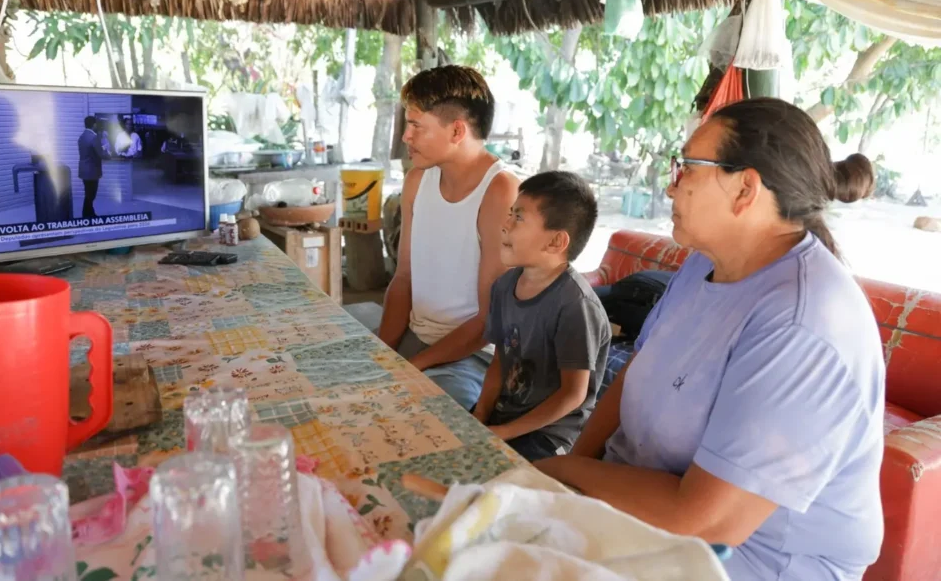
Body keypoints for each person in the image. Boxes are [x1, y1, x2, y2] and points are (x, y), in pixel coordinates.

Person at [537, 98, 885, 581]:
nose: (671, 184)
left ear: (745, 189)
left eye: (686, 168)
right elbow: (641, 367)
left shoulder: (801, 323)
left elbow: (703, 522)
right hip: (645, 518)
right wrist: (570, 473)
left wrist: (558, 473)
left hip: (748, 563)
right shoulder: (705, 263)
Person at [376, 66, 519, 410]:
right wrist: (382, 354)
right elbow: (404, 278)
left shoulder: (499, 190)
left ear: (457, 130)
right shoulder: (417, 180)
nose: (406, 137)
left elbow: (490, 319)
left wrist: (413, 367)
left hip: (472, 355)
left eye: (416, 126)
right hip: (416, 339)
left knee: (423, 415)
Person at [473, 171, 610, 461]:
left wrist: (504, 433)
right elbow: (500, 360)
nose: (505, 225)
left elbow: (573, 395)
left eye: (519, 218)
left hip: (550, 434)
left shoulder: (575, 305)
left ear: (556, 242)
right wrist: (480, 415)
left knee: (502, 477)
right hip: (505, 416)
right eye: (510, 214)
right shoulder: (504, 286)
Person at [77, 116, 105, 219]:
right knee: (91, 194)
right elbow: (100, 154)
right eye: (96, 124)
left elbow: (89, 151)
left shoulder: (82, 136)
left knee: (88, 193)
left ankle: (89, 213)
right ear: (94, 124)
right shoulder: (94, 137)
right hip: (92, 170)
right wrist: (106, 151)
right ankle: (86, 215)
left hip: (84, 169)